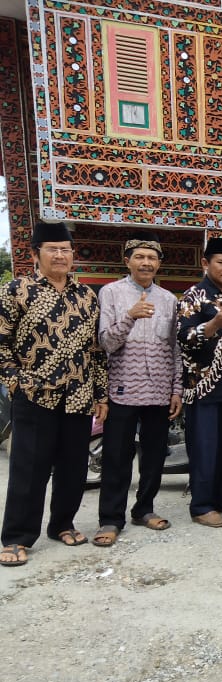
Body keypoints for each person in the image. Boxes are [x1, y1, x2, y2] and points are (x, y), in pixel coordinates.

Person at [0, 221, 108, 567]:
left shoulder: (86, 295)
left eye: (65, 249)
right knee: (29, 469)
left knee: (73, 467)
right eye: (52, 249)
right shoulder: (17, 290)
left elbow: (96, 350)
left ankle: (62, 523)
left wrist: (101, 395)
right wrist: (17, 382)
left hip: (78, 396)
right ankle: (17, 536)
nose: (60, 255)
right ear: (36, 254)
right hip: (35, 396)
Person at [93, 232, 183, 547]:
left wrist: (177, 389)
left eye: (152, 258)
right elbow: (106, 342)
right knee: (117, 456)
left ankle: (144, 509)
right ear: (127, 260)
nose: (146, 262)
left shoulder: (169, 300)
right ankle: (110, 519)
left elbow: (175, 350)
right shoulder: (111, 293)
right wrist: (130, 317)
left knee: (155, 456)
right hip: (122, 388)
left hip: (159, 390)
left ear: (159, 263)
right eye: (140, 257)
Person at [177, 236, 222, 528]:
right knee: (205, 447)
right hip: (203, 387)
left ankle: (221, 496)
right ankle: (201, 504)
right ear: (206, 263)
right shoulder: (193, 296)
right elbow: (182, 337)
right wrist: (212, 326)